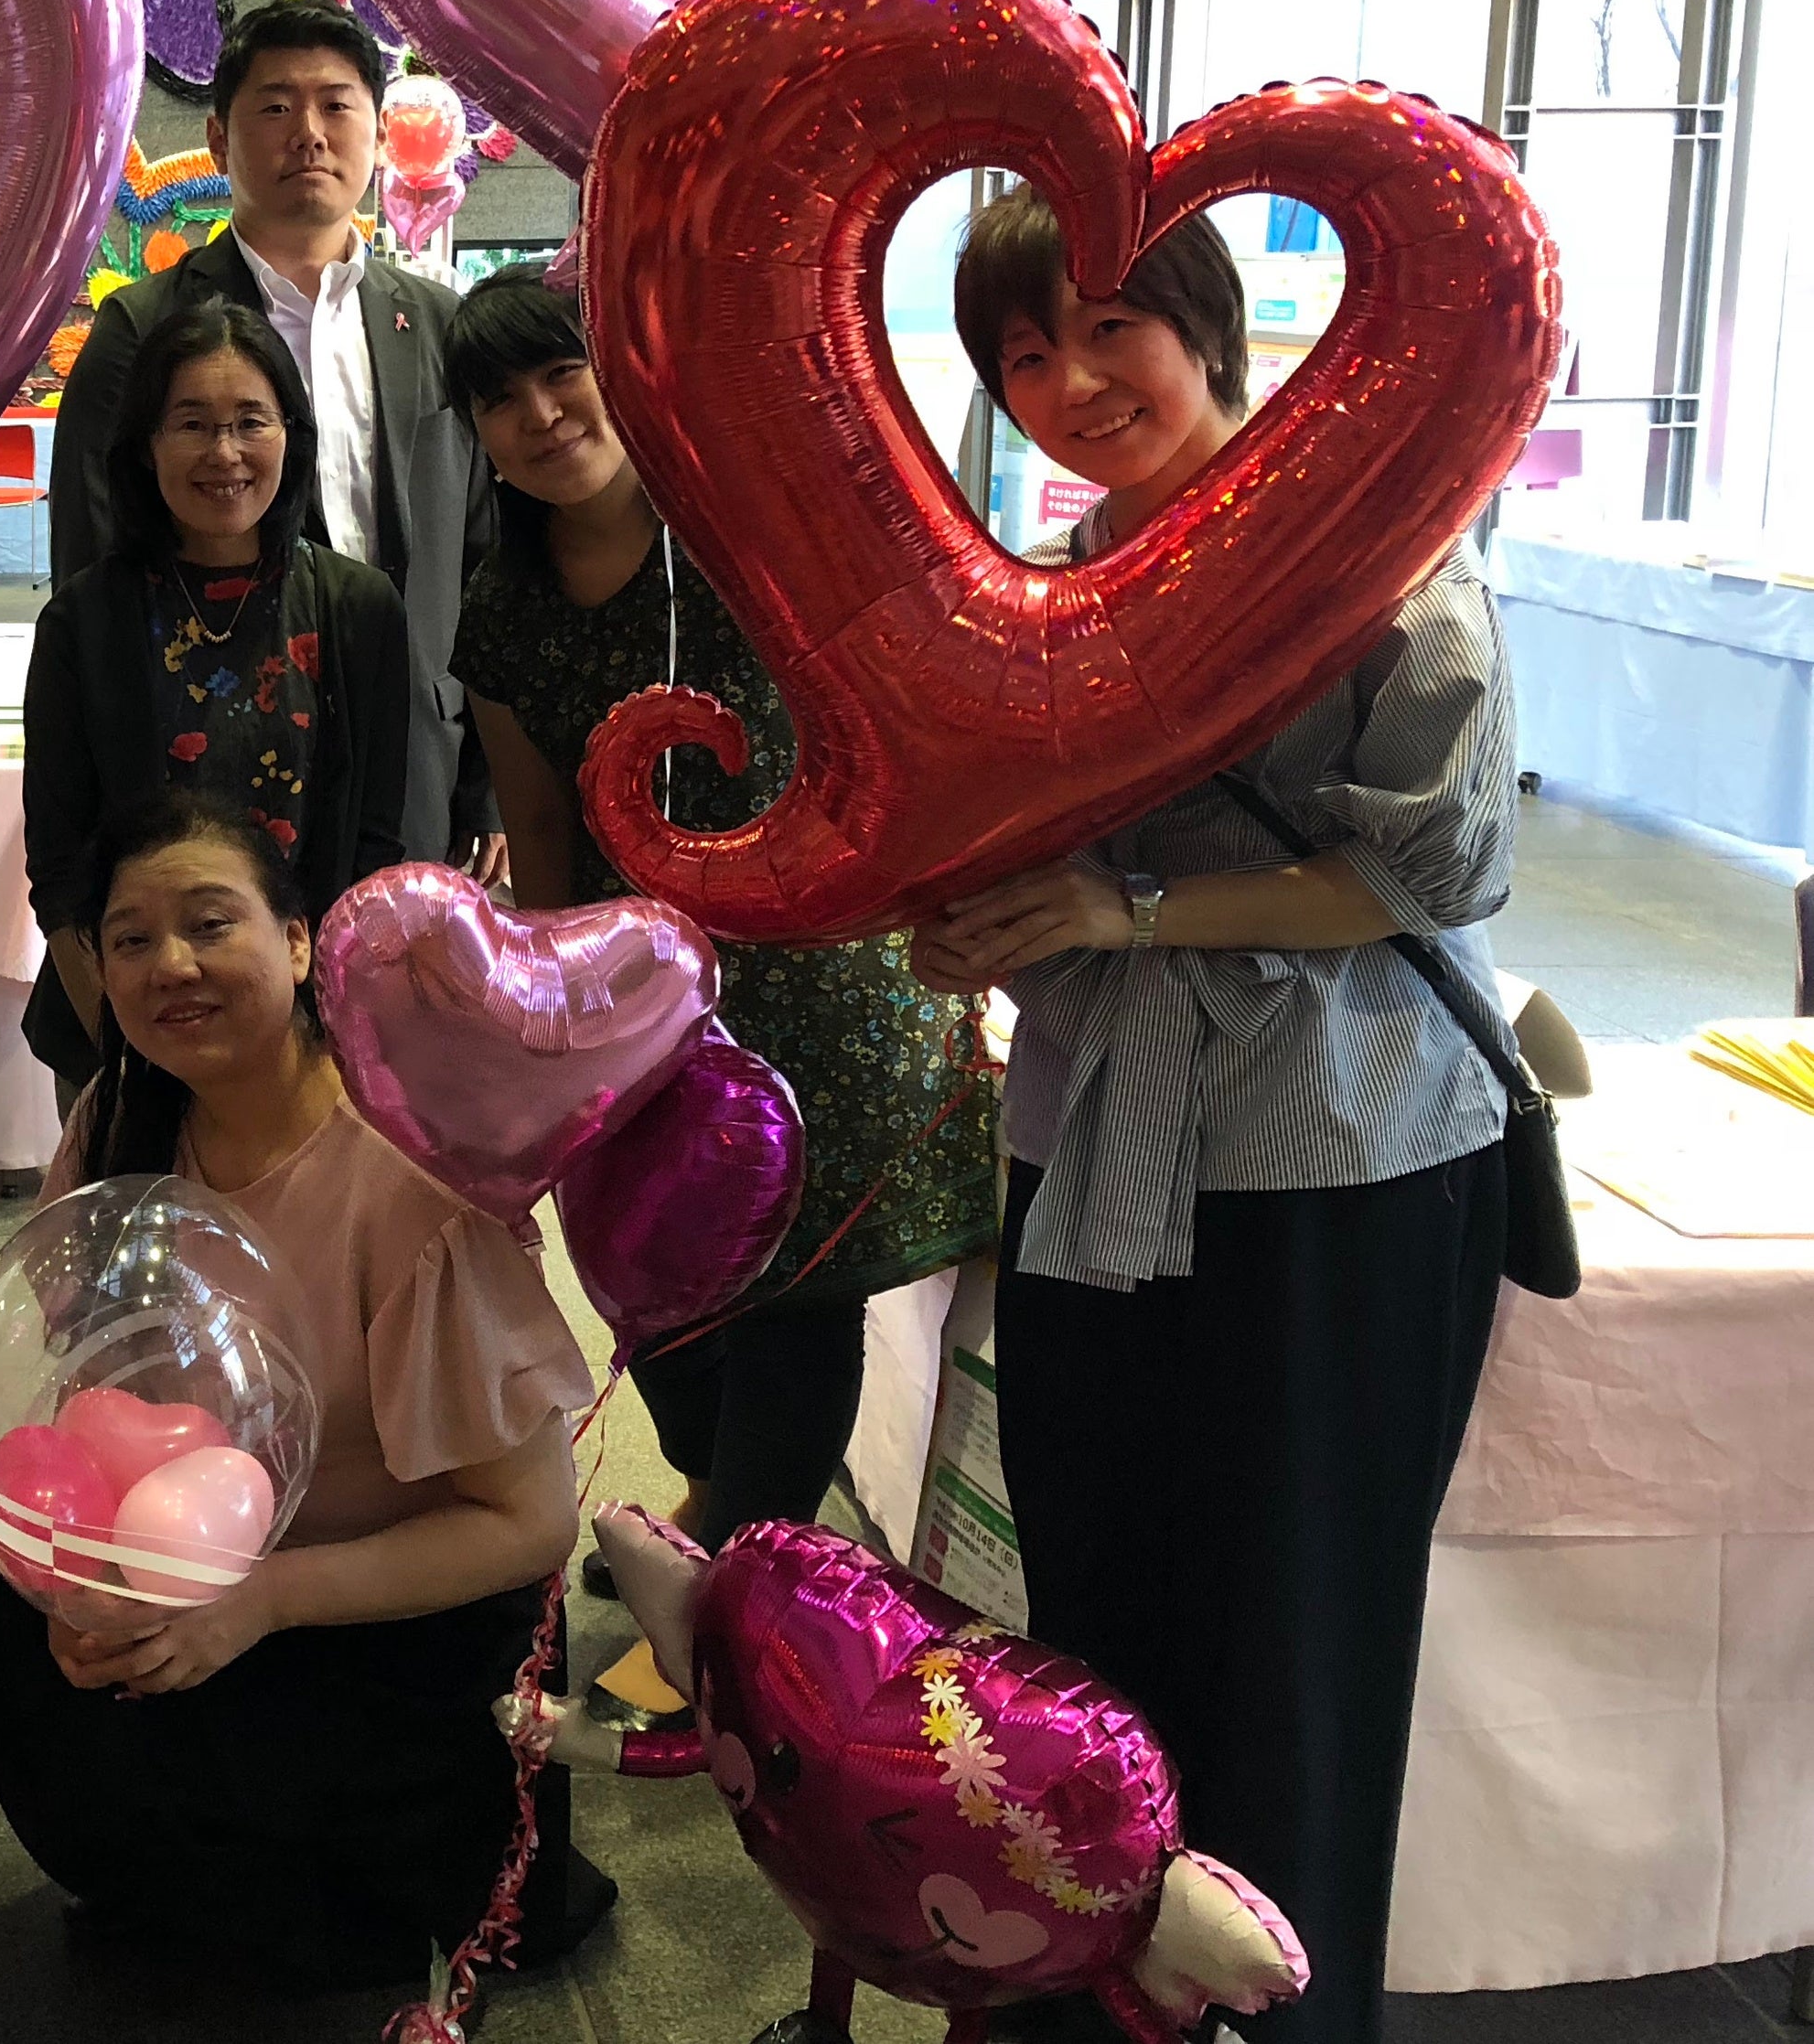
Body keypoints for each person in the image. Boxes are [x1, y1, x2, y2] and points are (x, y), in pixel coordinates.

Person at [916, 191, 1516, 2044]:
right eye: (1029, 353)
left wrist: (1127, 910)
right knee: (1096, 1625)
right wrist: (968, 916)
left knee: (1297, 1649)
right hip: (1095, 1151)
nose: (1076, 381)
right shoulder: (1033, 588)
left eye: (1113, 327)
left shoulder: (1376, 546)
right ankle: (1090, 1998)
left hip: (1331, 1162)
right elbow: (997, 852)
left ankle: (1278, 2018)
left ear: (1203, 321)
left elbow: (1433, 870)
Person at [0, 790, 613, 1990]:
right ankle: (186, 1877)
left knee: (277, 1889)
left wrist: (265, 1600)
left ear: (301, 942)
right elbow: (90, 1397)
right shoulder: (119, 1124)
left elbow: (530, 1524)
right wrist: (77, 1583)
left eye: (210, 924)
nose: (170, 965)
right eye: (130, 939)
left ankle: (290, 1896)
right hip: (196, 1558)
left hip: (390, 1607)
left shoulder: (406, 1177)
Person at [440, 270, 998, 1713]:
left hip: (822, 990)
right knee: (664, 1291)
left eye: (561, 375)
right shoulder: (503, 608)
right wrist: (566, 1033)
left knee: (799, 1298)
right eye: (499, 400)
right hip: (645, 1009)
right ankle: (715, 1510)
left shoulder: (746, 538)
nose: (540, 415)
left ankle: (721, 1619)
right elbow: (542, 838)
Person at [49, 0, 493, 872]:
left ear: (379, 132)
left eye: (337, 104)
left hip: (417, 769)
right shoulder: (143, 329)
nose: (310, 133)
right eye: (277, 106)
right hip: (208, 773)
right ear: (219, 141)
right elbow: (91, 578)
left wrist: (485, 786)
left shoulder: (443, 326)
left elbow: (486, 564)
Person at [20, 297, 409, 1089]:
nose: (224, 452)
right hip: (125, 1029)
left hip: (307, 1043)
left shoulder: (358, 609)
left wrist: (314, 1048)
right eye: (192, 423)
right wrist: (132, 1054)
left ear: (291, 435)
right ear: (147, 444)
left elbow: (370, 854)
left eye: (250, 422)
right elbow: (61, 872)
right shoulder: (83, 621)